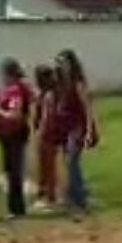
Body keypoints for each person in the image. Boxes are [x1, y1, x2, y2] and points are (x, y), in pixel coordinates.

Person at [53, 50, 97, 215]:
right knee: (68, 163)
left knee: (72, 162)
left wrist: (89, 132)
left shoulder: (77, 83)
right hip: (65, 128)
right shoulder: (61, 83)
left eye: (64, 62)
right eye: (59, 62)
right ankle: (72, 198)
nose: (61, 66)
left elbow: (88, 107)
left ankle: (79, 200)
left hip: (77, 128)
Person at [0, 60, 36, 219]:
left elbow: (15, 114)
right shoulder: (11, 90)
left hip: (14, 135)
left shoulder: (15, 91)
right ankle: (16, 207)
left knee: (14, 172)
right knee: (11, 171)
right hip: (8, 135)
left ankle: (16, 208)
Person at [33, 64, 61, 208]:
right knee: (43, 165)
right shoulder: (42, 93)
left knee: (49, 165)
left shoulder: (51, 94)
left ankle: (50, 196)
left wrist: (41, 132)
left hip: (49, 133)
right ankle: (43, 192)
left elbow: (47, 116)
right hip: (43, 132)